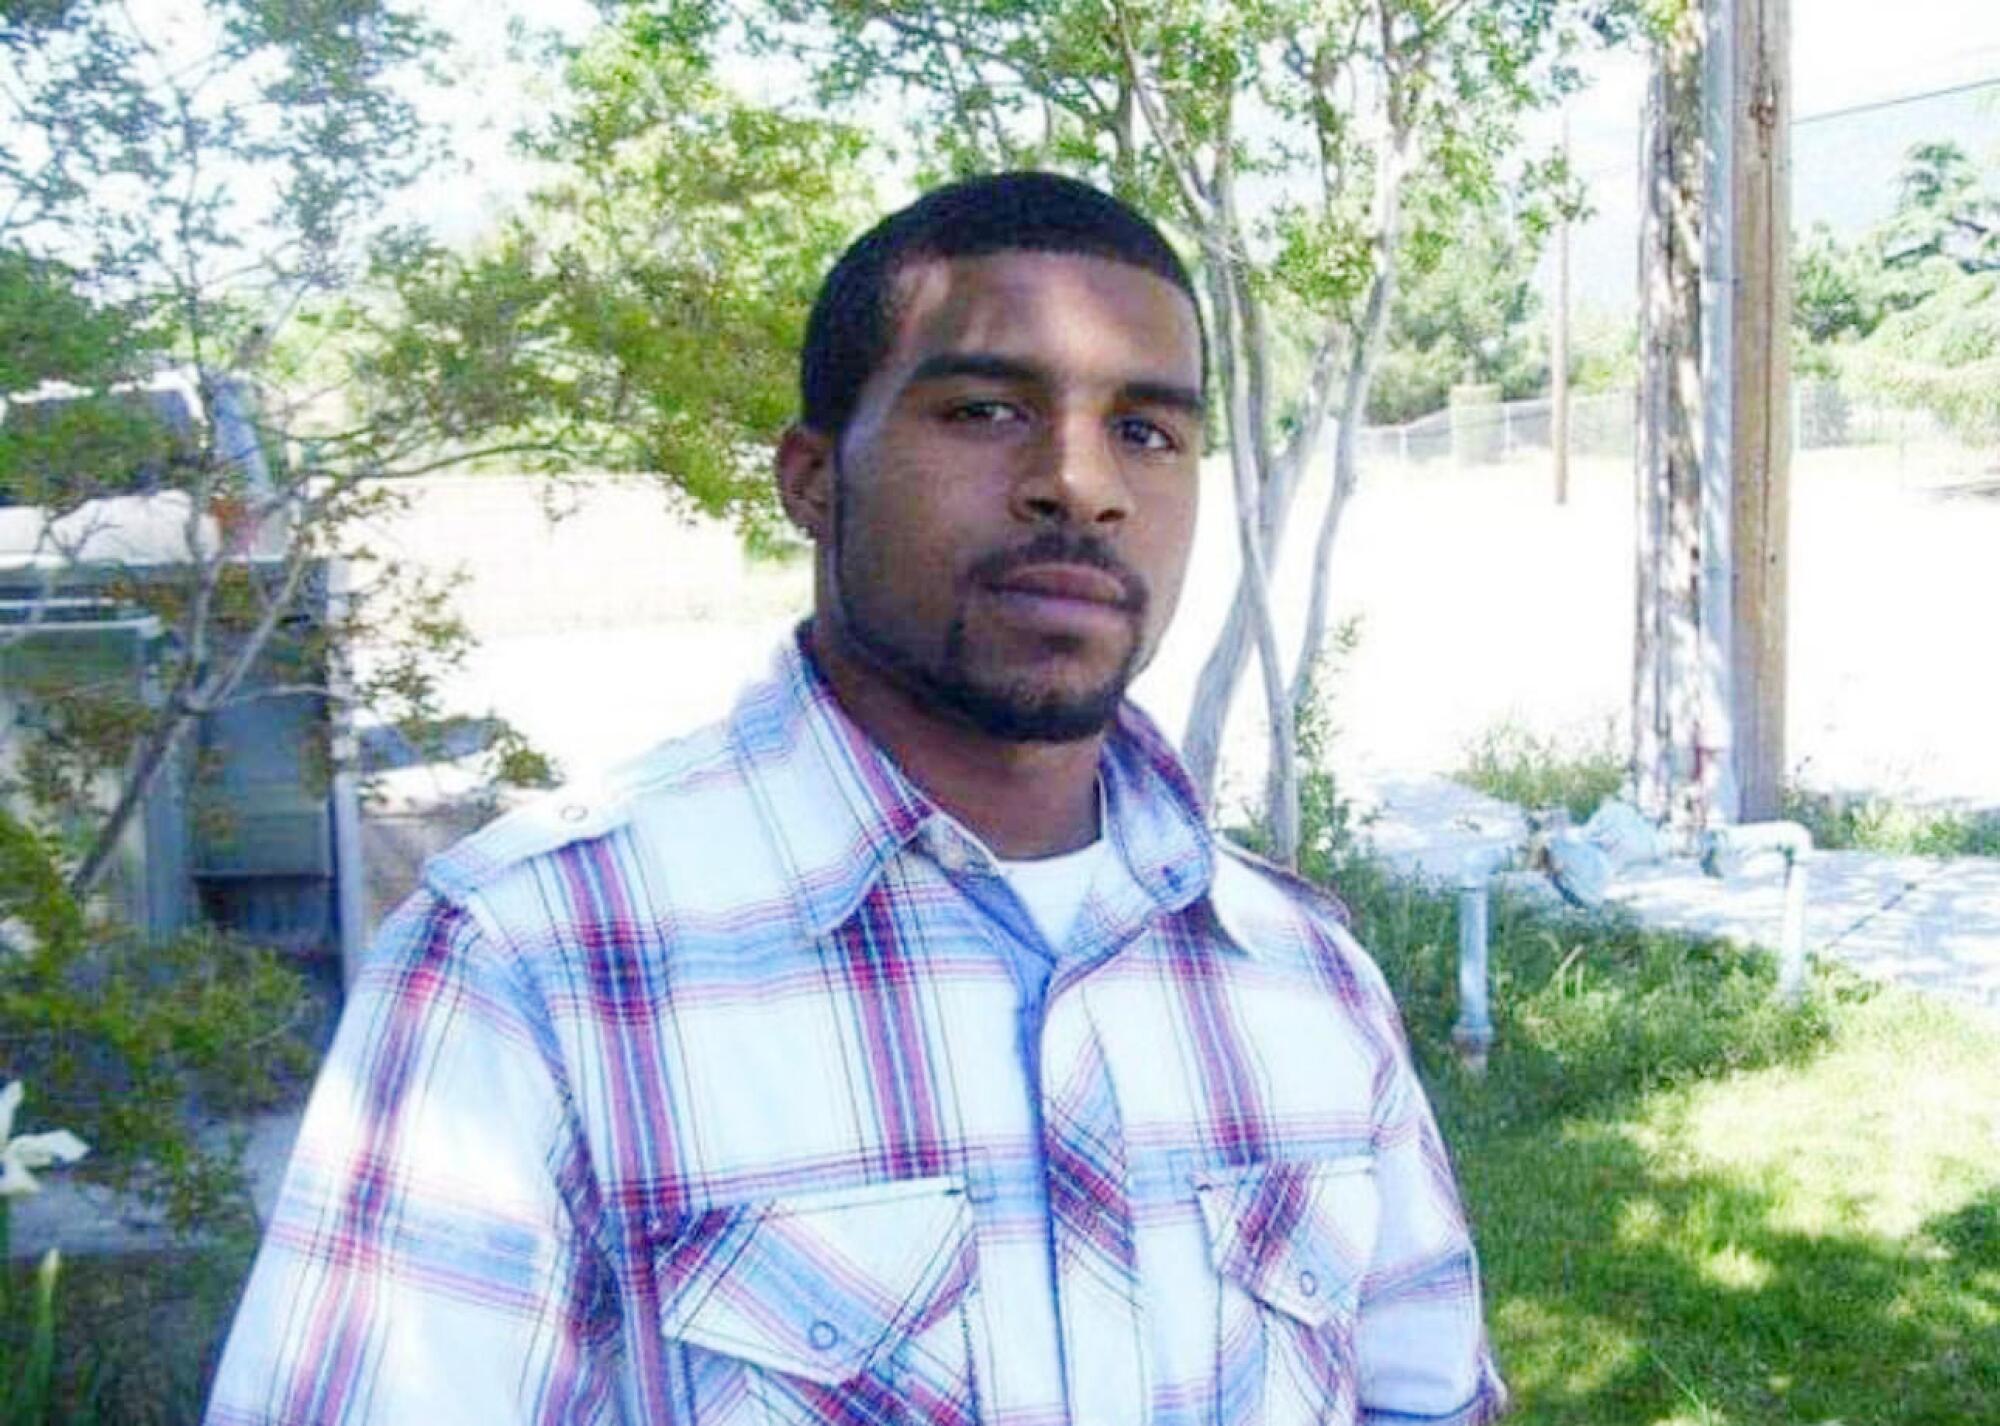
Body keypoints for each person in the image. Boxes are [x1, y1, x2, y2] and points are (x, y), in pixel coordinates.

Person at [207, 171, 1506, 1426]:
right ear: (812, 478)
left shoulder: (1305, 976)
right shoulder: (531, 965)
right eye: (988, 409)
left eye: (1146, 430)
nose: (1082, 480)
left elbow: (1422, 1393)